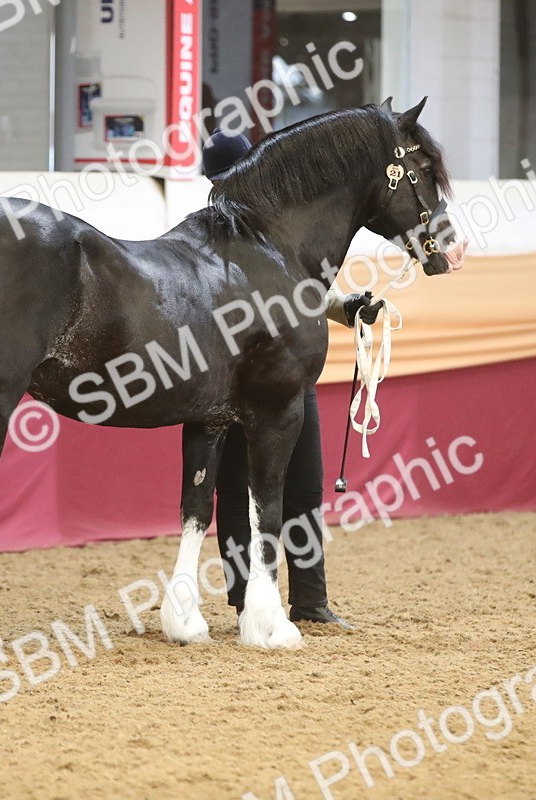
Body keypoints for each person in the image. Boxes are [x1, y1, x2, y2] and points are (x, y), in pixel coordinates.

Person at [203, 129, 381, 630]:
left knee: (302, 489)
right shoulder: (210, 235)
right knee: (241, 490)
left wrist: (347, 307)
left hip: (289, 377)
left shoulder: (279, 230)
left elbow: (303, 291)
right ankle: (248, 600)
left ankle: (309, 601)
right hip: (236, 382)